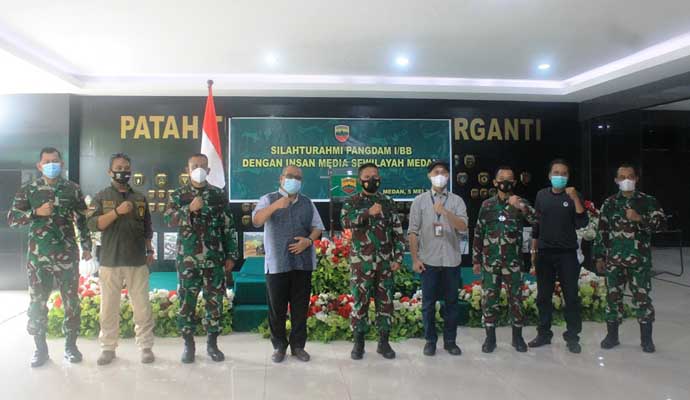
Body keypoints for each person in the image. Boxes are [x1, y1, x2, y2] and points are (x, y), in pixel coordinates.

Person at [7, 147, 92, 367]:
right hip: (39, 257)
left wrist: (87, 246)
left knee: (71, 302)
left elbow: (82, 219)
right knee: (38, 303)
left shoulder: (72, 189)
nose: (51, 164)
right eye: (46, 161)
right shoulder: (29, 189)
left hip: (67, 255)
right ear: (39, 165)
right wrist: (35, 213)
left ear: (61, 164)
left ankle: (71, 347)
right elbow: (12, 218)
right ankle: (40, 349)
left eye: (55, 161)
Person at [164, 153, 239, 363]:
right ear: (187, 170)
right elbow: (168, 219)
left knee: (214, 302)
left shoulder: (218, 194)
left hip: (214, 259)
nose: (198, 169)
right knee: (186, 302)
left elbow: (228, 226)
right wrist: (188, 209)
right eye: (194, 165)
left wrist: (231, 254)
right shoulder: (178, 195)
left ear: (209, 170)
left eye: (202, 166)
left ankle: (212, 344)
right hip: (188, 260)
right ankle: (188, 345)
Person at [87, 153, 155, 365]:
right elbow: (93, 224)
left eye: (126, 168)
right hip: (110, 261)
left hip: (137, 260)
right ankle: (108, 348)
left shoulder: (140, 197)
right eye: (119, 168)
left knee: (142, 307)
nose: (123, 172)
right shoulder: (101, 196)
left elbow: (147, 228)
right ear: (110, 171)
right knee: (108, 308)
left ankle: (145, 347)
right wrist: (117, 212)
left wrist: (149, 250)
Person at [252, 165, 324, 363]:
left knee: (300, 308)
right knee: (277, 309)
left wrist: (308, 241)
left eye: (298, 177)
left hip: (302, 263)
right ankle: (279, 346)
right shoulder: (268, 199)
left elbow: (318, 228)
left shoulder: (307, 202)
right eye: (290, 176)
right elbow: (256, 220)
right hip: (277, 263)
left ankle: (298, 346)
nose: (294, 180)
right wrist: (276, 206)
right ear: (281, 178)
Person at [594, 163, 665, 353]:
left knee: (642, 299)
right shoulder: (609, 203)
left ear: (636, 179)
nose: (627, 180)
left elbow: (661, 225)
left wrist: (640, 218)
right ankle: (612, 336)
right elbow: (602, 231)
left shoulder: (648, 201)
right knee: (613, 298)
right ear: (616, 180)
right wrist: (599, 257)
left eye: (630, 176)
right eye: (622, 177)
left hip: (639, 261)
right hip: (614, 261)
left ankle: (646, 339)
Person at [341, 163, 404, 360]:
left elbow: (397, 232)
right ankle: (358, 343)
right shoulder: (352, 202)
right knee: (360, 302)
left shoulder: (388, 202)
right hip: (361, 264)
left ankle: (383, 343)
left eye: (375, 176)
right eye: (367, 177)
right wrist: (368, 213)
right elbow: (345, 222)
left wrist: (398, 257)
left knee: (385, 303)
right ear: (360, 180)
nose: (372, 180)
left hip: (385, 263)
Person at [472, 166, 536, 353]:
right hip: (490, 262)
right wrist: (476, 259)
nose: (505, 182)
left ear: (514, 182)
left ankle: (517, 337)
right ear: (495, 182)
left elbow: (536, 220)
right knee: (489, 300)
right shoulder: (487, 205)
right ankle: (490, 338)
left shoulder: (520, 202)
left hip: (513, 262)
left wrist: (521, 207)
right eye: (502, 179)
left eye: (509, 179)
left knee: (516, 300)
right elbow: (478, 232)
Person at [529, 159, 589, 354]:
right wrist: (533, 250)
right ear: (549, 175)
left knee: (571, 297)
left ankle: (572, 337)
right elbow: (536, 224)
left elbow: (582, 222)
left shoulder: (573, 195)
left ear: (568, 177)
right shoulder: (541, 195)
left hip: (567, 254)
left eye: (564, 174)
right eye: (556, 173)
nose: (560, 176)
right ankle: (544, 334)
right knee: (543, 297)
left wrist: (575, 199)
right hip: (544, 253)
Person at [408, 160, 467, 356]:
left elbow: (463, 227)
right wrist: (415, 259)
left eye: (443, 172)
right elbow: (413, 232)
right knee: (428, 305)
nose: (439, 175)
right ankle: (430, 341)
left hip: (451, 261)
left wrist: (445, 212)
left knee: (452, 304)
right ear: (429, 176)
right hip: (428, 261)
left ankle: (450, 341)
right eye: (436, 172)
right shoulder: (419, 201)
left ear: (448, 176)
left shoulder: (457, 201)